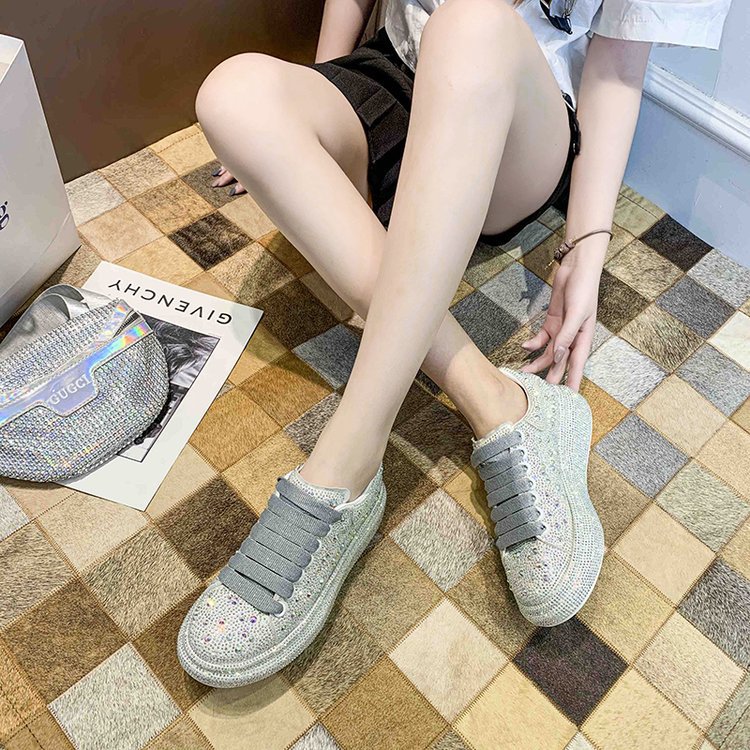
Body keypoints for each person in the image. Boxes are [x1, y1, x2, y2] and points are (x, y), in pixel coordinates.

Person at [177, 0, 731, 687]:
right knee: (232, 95)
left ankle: (345, 464)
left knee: (473, 20)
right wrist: (307, 128)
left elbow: (619, 60)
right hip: (391, 71)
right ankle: (496, 400)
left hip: (515, 115)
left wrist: (587, 242)